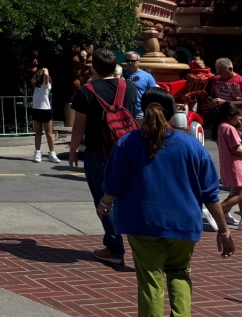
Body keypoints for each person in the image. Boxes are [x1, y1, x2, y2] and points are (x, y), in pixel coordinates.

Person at [99, 87, 234, 317]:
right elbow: (210, 194)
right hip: (184, 223)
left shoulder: (128, 142)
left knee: (150, 283)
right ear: (174, 114)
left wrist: (105, 203)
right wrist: (223, 231)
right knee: (179, 272)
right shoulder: (191, 146)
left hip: (143, 222)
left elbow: (113, 184)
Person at [69, 47, 139, 265]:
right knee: (129, 198)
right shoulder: (130, 87)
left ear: (94, 67)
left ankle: (115, 246)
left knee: (103, 199)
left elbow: (78, 126)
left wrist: (73, 151)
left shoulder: (87, 91)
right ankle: (140, 245)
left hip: (99, 151)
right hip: (127, 149)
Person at [216, 101, 242, 228]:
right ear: (230, 116)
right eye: (237, 116)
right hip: (234, 165)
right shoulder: (230, 128)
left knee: (237, 193)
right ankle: (217, 210)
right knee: (240, 194)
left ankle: (239, 220)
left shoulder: (221, 127)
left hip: (227, 164)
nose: (238, 119)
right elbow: (236, 149)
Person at [31, 67, 61, 163]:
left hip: (45, 111)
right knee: (38, 133)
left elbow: (46, 75)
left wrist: (45, 69)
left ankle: (52, 153)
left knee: (49, 134)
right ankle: (37, 153)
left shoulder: (46, 86)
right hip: (36, 110)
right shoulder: (36, 87)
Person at [122, 53, 157, 120]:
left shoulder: (147, 76)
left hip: (140, 113)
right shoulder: (120, 73)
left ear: (139, 61)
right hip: (123, 112)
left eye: (133, 61)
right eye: (127, 60)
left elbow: (153, 95)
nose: (130, 62)